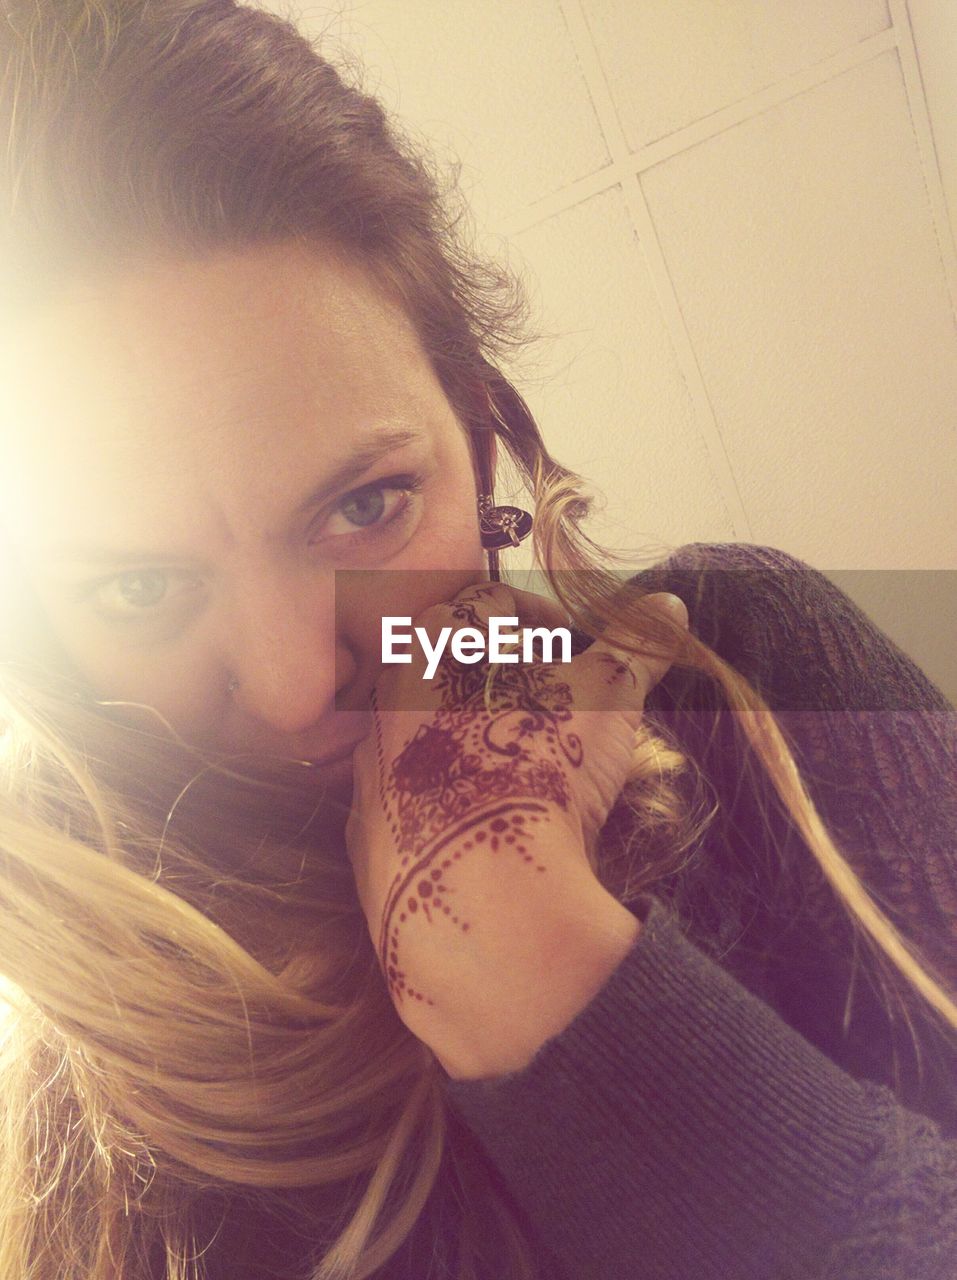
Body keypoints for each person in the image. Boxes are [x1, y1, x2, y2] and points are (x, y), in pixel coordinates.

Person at [0, 3, 954, 1278]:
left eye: (364, 505)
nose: (295, 686)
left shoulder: (747, 667)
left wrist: (557, 992)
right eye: (136, 587)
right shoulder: (98, 1160)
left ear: (481, 443)